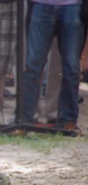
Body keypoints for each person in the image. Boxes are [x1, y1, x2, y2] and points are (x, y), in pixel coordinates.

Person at [20, 0, 84, 134]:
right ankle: (25, 118)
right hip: (41, 5)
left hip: (72, 6)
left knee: (71, 67)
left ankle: (68, 120)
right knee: (33, 65)